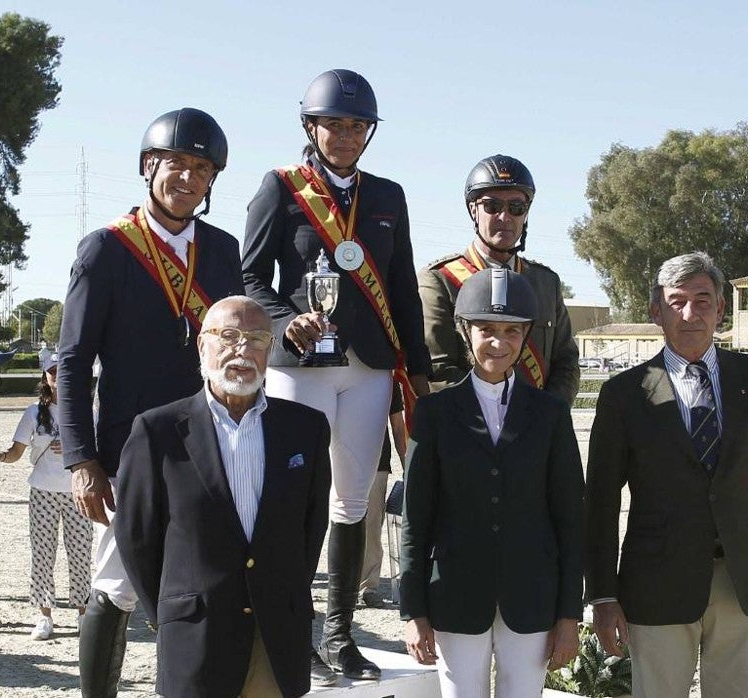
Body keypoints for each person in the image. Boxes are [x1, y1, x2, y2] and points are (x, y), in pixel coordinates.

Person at [242, 68, 431, 684]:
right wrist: (285, 317)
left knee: (353, 501)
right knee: (294, 497)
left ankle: (340, 633)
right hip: (300, 365)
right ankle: (291, 633)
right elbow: (248, 279)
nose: (345, 136)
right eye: (334, 125)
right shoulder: (280, 188)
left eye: (357, 127)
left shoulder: (388, 196)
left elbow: (402, 289)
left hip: (370, 366)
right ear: (310, 127)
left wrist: (419, 375)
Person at [56, 107, 243, 697]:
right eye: (175, 165)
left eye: (201, 168)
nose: (187, 178)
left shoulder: (221, 249)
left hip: (207, 446)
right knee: (118, 584)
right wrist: (82, 460)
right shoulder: (106, 249)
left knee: (201, 582)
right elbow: (73, 360)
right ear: (147, 167)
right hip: (127, 448)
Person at [584, 252, 748, 698]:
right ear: (655, 312)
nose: (690, 313)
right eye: (676, 301)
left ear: (721, 309)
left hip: (742, 578)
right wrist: (603, 596)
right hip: (656, 584)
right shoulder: (623, 396)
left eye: (703, 300)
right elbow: (601, 502)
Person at [114, 296, 331, 698]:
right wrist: (173, 608)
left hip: (276, 640)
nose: (242, 350)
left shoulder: (307, 429)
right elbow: (137, 537)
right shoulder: (157, 431)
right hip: (196, 638)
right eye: (228, 336)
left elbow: (311, 528)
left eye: (256, 338)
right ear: (202, 346)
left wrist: (281, 592)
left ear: (270, 349)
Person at [401, 268, 584, 698]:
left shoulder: (551, 414)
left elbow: (570, 518)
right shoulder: (434, 415)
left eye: (511, 331)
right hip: (456, 595)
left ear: (525, 336)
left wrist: (569, 614)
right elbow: (416, 519)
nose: (499, 343)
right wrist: (413, 611)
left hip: (532, 596)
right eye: (486, 329)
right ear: (465, 331)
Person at [418, 154, 579, 405]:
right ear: (474, 209)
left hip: (537, 428)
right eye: (492, 206)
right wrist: (492, 420)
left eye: (516, 208)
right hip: (470, 429)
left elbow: (566, 363)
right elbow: (438, 369)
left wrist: (547, 419)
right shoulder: (440, 281)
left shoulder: (546, 283)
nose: (505, 217)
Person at [0, 351, 92, 640]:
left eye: (62, 370)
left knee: (81, 553)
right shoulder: (33, 413)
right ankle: (44, 614)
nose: (57, 375)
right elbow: (17, 452)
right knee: (43, 554)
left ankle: (83, 612)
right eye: (52, 371)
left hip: (76, 491)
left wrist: (75, 451)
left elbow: (99, 452)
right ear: (45, 376)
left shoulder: (85, 411)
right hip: (43, 490)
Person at [358, 390, 406, 609]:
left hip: (377, 458)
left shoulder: (387, 377)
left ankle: (367, 586)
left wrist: (408, 465)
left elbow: (397, 423)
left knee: (372, 525)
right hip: (335, 455)